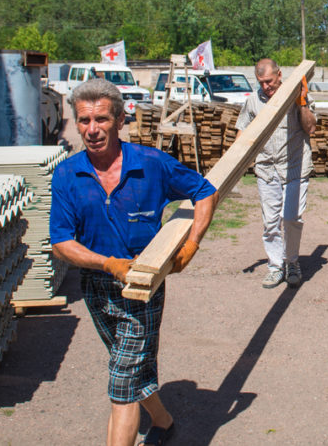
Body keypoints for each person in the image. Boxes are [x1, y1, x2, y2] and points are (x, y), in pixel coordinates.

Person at [49, 78, 219, 446]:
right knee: (125, 367)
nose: (92, 130)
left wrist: (192, 244)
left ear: (120, 120)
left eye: (101, 120)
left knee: (121, 386)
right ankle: (164, 421)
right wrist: (109, 264)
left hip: (143, 288)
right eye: (83, 121)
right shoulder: (67, 175)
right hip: (97, 286)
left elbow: (205, 191)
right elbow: (61, 242)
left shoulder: (151, 164)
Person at [237, 59, 316, 289]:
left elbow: (311, 127)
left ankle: (291, 263)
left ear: (280, 75)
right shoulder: (253, 101)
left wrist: (301, 102)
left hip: (294, 168)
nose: (266, 87)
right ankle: (275, 265)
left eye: (269, 82)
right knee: (270, 222)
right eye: (261, 82)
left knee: (291, 218)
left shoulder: (297, 95)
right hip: (266, 169)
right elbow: (241, 133)